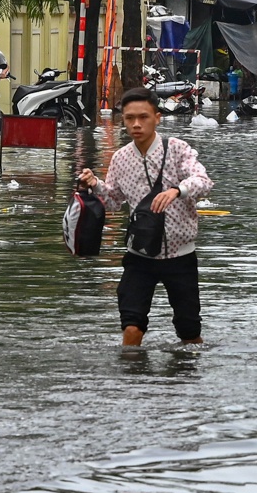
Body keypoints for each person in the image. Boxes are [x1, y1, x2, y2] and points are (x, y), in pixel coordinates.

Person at [77, 87, 213, 347]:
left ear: (157, 117)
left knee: (189, 332)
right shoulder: (120, 158)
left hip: (180, 255)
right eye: (129, 118)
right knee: (131, 326)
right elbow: (114, 201)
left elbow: (203, 181)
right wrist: (94, 184)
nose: (136, 124)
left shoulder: (177, 149)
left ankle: (189, 380)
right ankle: (131, 383)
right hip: (139, 253)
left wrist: (177, 190)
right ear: (123, 120)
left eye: (143, 117)